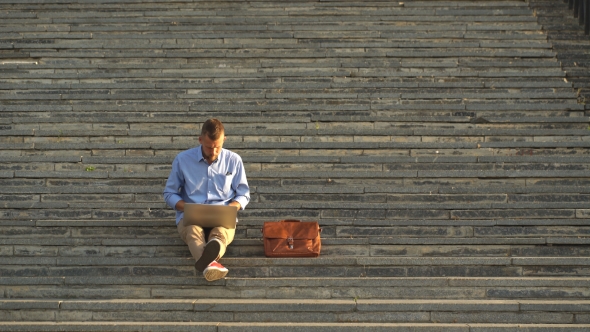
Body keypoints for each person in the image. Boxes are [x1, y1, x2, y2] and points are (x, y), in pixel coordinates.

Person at [163, 118, 250, 281]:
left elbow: (243, 194)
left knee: (221, 234)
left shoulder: (234, 160)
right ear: (200, 140)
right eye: (209, 147)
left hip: (222, 216)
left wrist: (233, 207)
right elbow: (169, 193)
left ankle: (209, 258)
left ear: (224, 139)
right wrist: (186, 207)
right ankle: (212, 264)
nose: (213, 152)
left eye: (218, 147)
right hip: (190, 215)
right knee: (193, 231)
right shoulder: (182, 160)